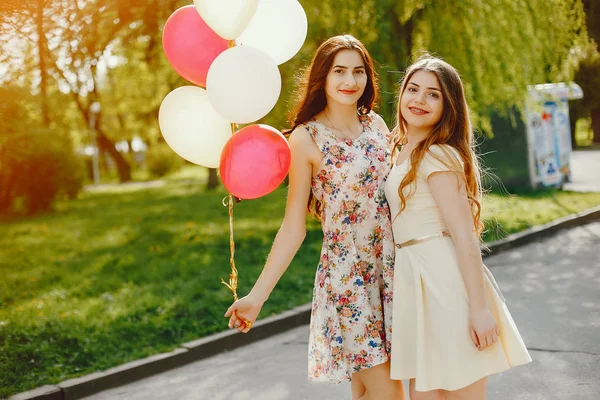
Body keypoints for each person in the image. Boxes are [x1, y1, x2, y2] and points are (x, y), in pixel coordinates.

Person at [225, 35, 405, 400]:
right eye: (339, 71)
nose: (350, 81)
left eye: (358, 72)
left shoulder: (377, 126)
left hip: (390, 272)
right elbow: (293, 227)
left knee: (368, 392)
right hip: (348, 282)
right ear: (322, 77)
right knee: (391, 394)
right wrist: (257, 297)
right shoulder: (307, 139)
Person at [384, 55, 532, 399]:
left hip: (444, 281)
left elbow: (464, 234)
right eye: (413, 89)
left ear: (448, 105)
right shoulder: (403, 149)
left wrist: (479, 310)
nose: (419, 100)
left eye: (433, 94)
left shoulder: (437, 155)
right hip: (415, 280)